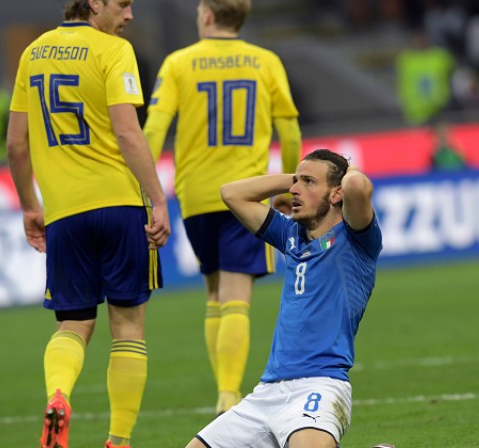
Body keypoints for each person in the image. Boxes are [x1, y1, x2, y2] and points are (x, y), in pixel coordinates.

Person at [5, 1, 171, 448]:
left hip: (64, 214)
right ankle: (119, 440)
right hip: (121, 206)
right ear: (95, 2)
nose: (130, 14)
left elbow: (16, 145)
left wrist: (30, 206)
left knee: (73, 324)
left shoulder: (32, 53)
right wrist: (158, 198)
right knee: (128, 326)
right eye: (123, 3)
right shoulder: (113, 50)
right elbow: (128, 133)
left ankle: (58, 396)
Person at [142, 0, 302, 416]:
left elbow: (154, 130)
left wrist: (144, 188)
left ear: (208, 15)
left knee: (214, 292)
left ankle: (222, 389)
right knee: (236, 298)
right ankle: (229, 395)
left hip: (196, 195)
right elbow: (289, 131)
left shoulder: (178, 63)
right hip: (247, 195)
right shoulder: (265, 62)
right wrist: (291, 186)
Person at [184, 148, 382, 448]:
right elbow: (231, 193)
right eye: (295, 182)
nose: (294, 190)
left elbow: (356, 185)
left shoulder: (356, 238)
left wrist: (343, 173)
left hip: (320, 385)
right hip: (266, 392)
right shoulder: (290, 234)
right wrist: (297, 178)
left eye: (308, 183)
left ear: (336, 194)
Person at [395, 29, 455, 125]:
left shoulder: (441, 57)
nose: (420, 41)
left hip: (439, 109)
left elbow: (454, 74)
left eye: (423, 38)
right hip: (415, 112)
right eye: (418, 39)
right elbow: (401, 82)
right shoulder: (406, 60)